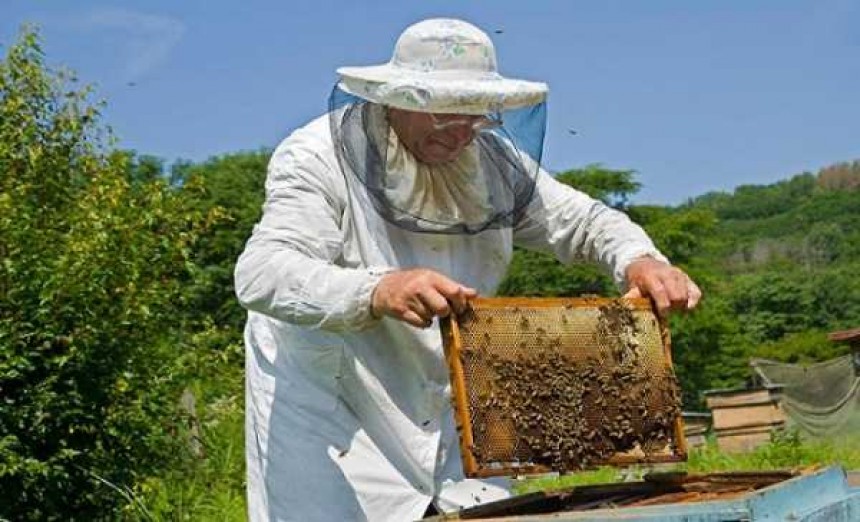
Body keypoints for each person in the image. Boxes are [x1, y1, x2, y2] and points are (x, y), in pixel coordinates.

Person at [234, 17, 701, 522]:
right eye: (442, 114)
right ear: (395, 99)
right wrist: (378, 289)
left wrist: (641, 258)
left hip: (452, 404)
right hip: (333, 405)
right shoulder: (316, 157)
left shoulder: (491, 160)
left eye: (474, 115)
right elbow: (263, 272)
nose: (459, 131)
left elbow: (583, 221)